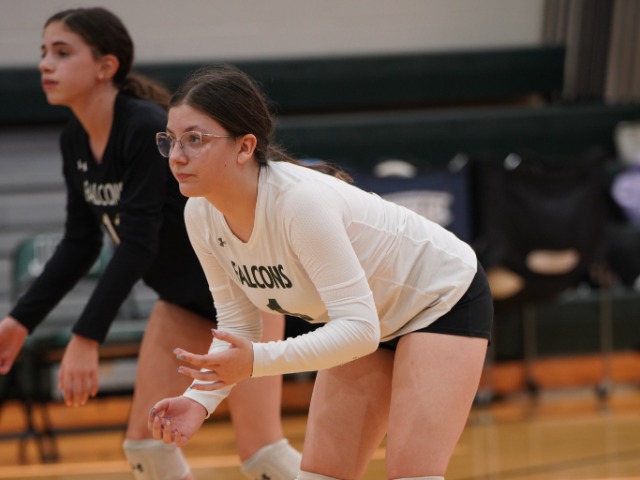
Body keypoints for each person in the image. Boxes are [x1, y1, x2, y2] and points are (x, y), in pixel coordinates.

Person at [147, 64, 493, 480]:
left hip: (438, 298)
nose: (177, 156)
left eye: (195, 139)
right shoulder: (199, 214)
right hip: (367, 320)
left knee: (411, 476)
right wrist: (199, 400)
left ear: (245, 147)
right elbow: (239, 325)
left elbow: (358, 330)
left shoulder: (299, 203)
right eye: (170, 140)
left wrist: (255, 361)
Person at [0, 8, 301, 480]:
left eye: (61, 52)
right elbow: (80, 242)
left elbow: (138, 242)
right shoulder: (75, 139)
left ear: (106, 66)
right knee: (147, 446)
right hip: (183, 302)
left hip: (245, 296)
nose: (45, 63)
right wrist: (20, 320)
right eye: (43, 52)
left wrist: (87, 337)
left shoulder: (142, 127)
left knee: (261, 453)